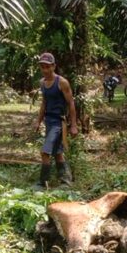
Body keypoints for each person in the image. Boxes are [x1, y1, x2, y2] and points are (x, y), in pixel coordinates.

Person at [33, 52, 79, 190]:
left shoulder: (62, 82)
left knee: (45, 152)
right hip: (49, 121)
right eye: (42, 67)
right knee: (57, 152)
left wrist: (74, 126)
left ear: (53, 66)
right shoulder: (42, 83)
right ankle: (66, 180)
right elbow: (44, 103)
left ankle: (42, 183)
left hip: (59, 122)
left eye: (47, 67)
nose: (45, 70)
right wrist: (38, 121)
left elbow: (71, 103)